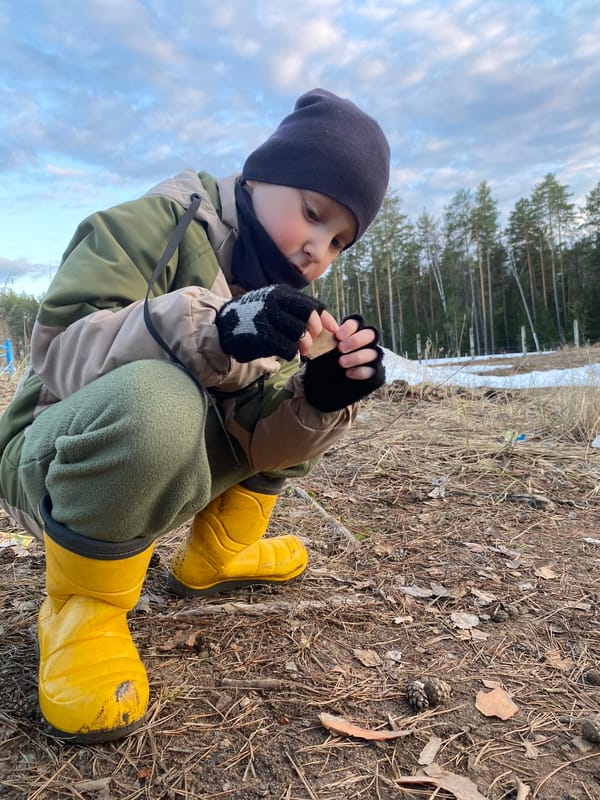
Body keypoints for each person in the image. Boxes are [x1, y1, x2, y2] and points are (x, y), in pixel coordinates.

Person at [0, 88, 390, 743]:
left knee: (287, 404)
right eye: (314, 214)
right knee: (161, 398)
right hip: (52, 450)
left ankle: (218, 554)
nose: (318, 249)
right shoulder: (149, 225)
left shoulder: (279, 293)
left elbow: (254, 438)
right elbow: (61, 355)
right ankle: (81, 609)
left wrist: (319, 398)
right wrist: (217, 331)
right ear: (260, 174)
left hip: (155, 462)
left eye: (339, 240)